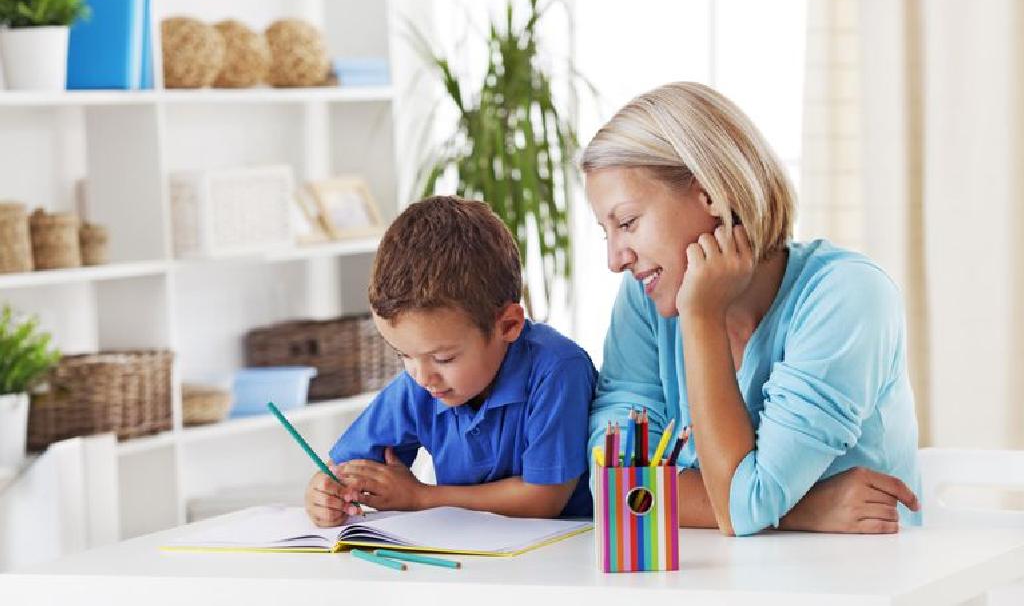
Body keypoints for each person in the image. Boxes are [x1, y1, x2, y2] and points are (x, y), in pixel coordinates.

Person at [582, 82, 921, 536]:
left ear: (712, 196)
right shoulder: (645, 299)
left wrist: (700, 319)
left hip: (858, 581)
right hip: (719, 581)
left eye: (627, 223)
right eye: (607, 233)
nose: (615, 259)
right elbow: (610, 484)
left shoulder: (847, 297)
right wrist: (807, 510)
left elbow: (739, 508)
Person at [304, 196, 596, 527]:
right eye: (403, 355)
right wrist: (325, 492)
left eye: (443, 358)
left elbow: (543, 499)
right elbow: (344, 467)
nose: (422, 376)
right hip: (464, 558)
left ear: (508, 326)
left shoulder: (558, 370)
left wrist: (421, 497)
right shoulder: (420, 383)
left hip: (562, 560)